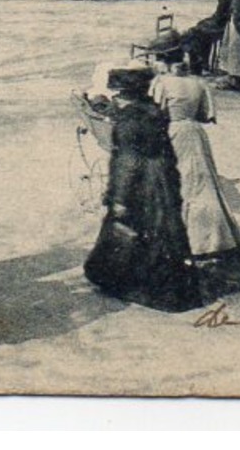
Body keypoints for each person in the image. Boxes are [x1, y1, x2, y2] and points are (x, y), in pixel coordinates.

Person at [82, 66, 201, 313]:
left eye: (116, 94)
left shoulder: (128, 123)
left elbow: (127, 163)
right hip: (163, 178)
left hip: (141, 184)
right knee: (165, 229)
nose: (114, 98)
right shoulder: (154, 112)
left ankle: (135, 283)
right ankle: (177, 288)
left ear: (124, 94)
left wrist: (119, 198)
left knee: (131, 228)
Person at [147, 32, 240, 260]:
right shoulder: (198, 83)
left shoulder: (161, 84)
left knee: (175, 184)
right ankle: (214, 238)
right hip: (195, 135)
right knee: (202, 183)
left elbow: (155, 115)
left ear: (163, 61)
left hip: (172, 134)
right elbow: (205, 115)